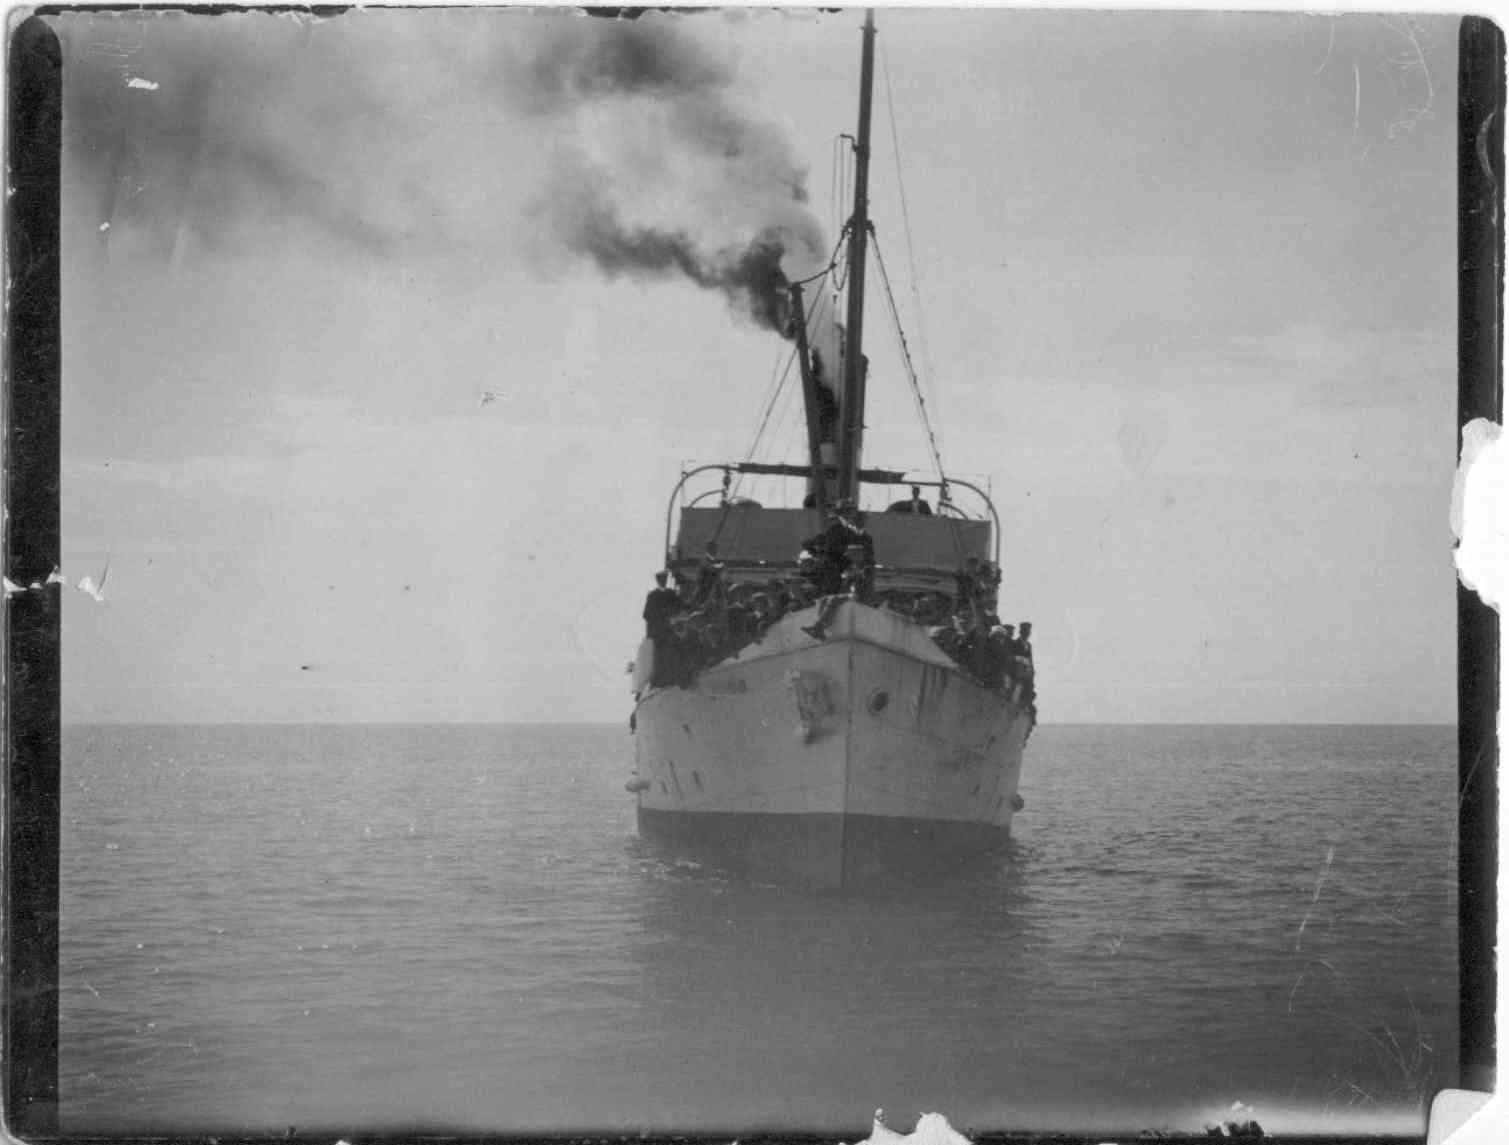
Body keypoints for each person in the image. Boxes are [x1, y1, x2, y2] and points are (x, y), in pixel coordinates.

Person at [642, 571, 682, 686]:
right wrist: (660, 614)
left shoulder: (671, 593)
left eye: (664, 579)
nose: (663, 582)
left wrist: (672, 613)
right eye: (661, 580)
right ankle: (659, 680)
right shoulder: (652, 595)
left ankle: (670, 677)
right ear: (658, 581)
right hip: (659, 631)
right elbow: (646, 614)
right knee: (659, 656)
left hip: (669, 629)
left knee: (670, 653)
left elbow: (679, 606)